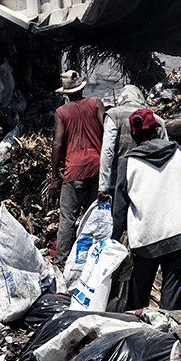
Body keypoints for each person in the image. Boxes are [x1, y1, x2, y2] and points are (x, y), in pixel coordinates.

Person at [112, 109, 181, 311]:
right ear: (158, 129)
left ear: (133, 134)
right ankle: (167, 336)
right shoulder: (178, 152)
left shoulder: (128, 162)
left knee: (139, 295)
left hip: (147, 238)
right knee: (172, 296)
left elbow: (119, 209)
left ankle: (140, 333)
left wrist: (114, 239)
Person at [49, 70, 105, 265]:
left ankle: (61, 261)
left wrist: (55, 177)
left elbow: (57, 144)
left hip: (74, 172)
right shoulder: (96, 104)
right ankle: (95, 260)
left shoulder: (62, 113)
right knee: (95, 217)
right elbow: (106, 132)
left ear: (65, 92)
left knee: (67, 220)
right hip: (97, 168)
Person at [98, 85, 167, 196]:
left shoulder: (113, 115)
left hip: (119, 181)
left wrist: (103, 186)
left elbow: (108, 150)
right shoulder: (156, 119)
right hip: (148, 181)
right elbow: (165, 150)